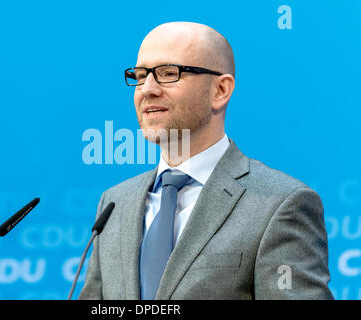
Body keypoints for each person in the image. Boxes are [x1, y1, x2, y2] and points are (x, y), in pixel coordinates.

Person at [79, 21, 333, 300]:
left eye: (168, 73)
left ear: (220, 91)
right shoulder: (115, 203)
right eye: (140, 76)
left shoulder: (281, 204)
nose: (147, 89)